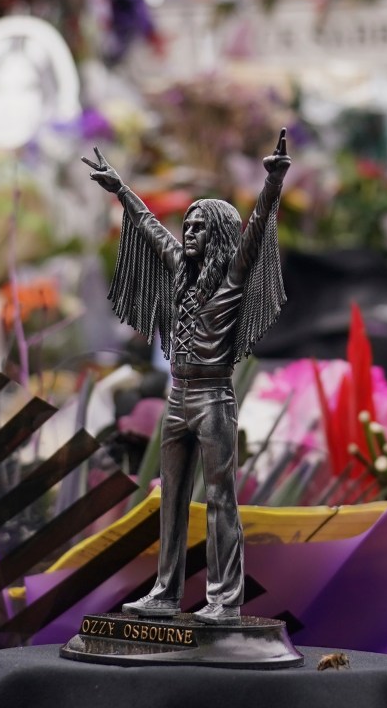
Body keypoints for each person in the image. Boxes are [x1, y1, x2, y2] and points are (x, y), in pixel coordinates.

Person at [82, 130, 291, 625]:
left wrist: (274, 182)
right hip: (178, 397)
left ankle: (224, 598)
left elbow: (258, 228)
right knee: (170, 498)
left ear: (218, 234)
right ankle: (165, 591)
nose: (189, 233)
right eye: (188, 224)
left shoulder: (233, 279)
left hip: (214, 399)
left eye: (199, 227)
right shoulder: (180, 271)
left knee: (221, 500)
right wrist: (120, 190)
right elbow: (151, 229)